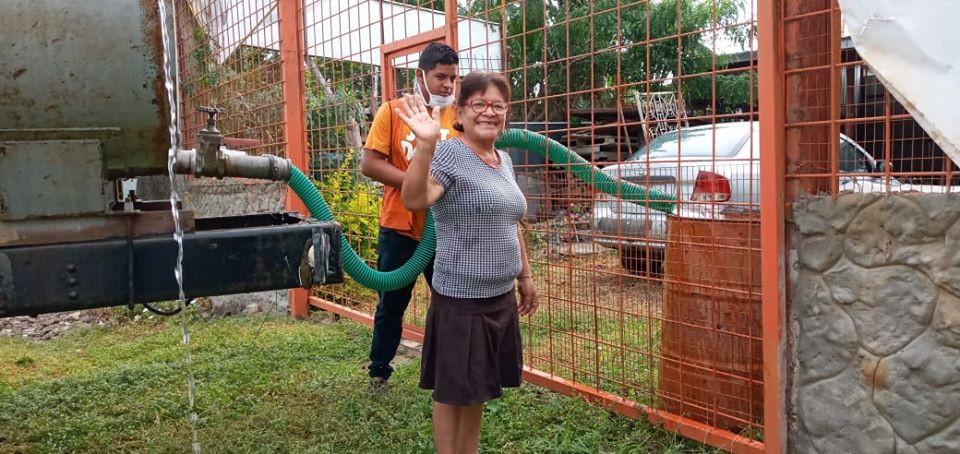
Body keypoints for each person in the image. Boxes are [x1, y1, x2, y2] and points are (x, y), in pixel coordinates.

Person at [397, 72, 540, 454]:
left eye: (497, 105)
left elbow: (509, 221)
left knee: (477, 388)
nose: (489, 112)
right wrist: (425, 145)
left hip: (499, 297)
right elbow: (414, 199)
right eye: (479, 104)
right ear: (460, 113)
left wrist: (525, 276)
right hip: (461, 300)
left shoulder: (503, 160)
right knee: (453, 392)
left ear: (506, 114)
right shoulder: (449, 153)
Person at [361, 43, 461, 387]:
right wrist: (419, 185)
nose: (447, 85)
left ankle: (449, 369)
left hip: (445, 229)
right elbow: (370, 164)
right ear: (421, 75)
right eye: (440, 77)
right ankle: (379, 370)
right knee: (391, 304)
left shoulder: (458, 117)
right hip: (400, 228)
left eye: (453, 78)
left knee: (450, 303)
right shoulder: (393, 112)